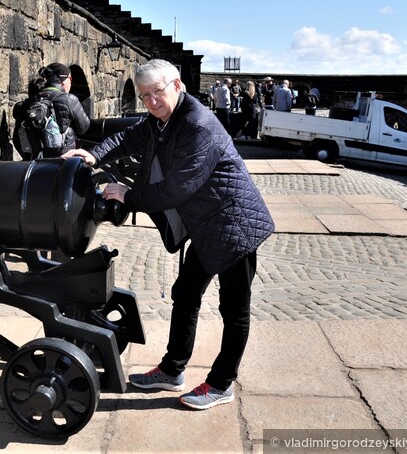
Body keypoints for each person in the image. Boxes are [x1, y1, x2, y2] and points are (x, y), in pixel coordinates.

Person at [62, 59, 274, 410]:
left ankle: (222, 384)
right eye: (144, 96)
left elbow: (178, 188)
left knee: (234, 309)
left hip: (234, 226)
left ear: (177, 85)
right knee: (186, 294)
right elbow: (129, 137)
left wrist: (128, 196)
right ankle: (172, 369)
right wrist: (93, 155)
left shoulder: (198, 125)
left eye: (156, 93)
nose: (151, 102)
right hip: (206, 226)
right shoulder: (162, 120)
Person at [36, 62, 90, 156]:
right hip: (63, 158)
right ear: (63, 80)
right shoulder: (69, 99)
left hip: (36, 159)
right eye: (70, 78)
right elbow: (84, 127)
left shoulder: (33, 99)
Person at [12, 76, 46, 160]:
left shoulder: (20, 106)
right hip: (36, 148)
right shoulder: (43, 107)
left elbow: (16, 134)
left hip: (24, 147)